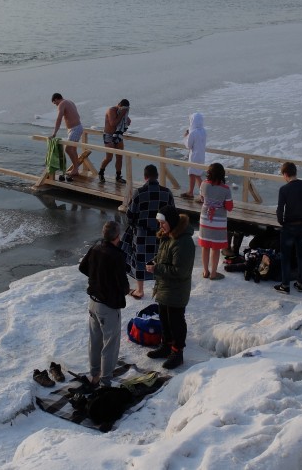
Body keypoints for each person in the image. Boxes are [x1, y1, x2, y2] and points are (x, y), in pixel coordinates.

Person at [78, 221, 131, 387]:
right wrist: (118, 289)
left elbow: (83, 267)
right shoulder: (117, 256)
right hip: (108, 307)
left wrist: (97, 278)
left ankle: (94, 375)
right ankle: (105, 382)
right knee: (110, 345)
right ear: (117, 236)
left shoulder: (95, 248)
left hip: (93, 303)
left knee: (95, 341)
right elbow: (123, 286)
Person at [145, 205, 195, 369]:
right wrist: (155, 261)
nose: (160, 226)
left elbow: (180, 271)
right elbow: (163, 256)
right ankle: (166, 346)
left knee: (176, 322)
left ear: (171, 222)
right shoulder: (168, 236)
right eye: (159, 223)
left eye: (162, 223)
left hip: (176, 290)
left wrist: (157, 268)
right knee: (165, 320)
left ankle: (177, 353)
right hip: (164, 287)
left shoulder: (184, 242)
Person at [122, 164, 175, 299]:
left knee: (140, 260)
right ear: (157, 176)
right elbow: (173, 214)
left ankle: (140, 290)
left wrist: (134, 225)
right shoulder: (167, 192)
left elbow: (130, 215)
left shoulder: (139, 193)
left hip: (142, 234)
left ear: (145, 177)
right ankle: (160, 289)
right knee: (161, 259)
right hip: (161, 232)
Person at [275, 162, 302, 293]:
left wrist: (282, 222)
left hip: (289, 226)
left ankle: (285, 285)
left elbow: (280, 209)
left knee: (286, 256)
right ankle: (300, 283)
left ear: (285, 174)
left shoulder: (284, 189)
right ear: (295, 172)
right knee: (301, 255)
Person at [199, 163, 234, 280]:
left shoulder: (203, 184)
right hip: (218, 221)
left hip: (205, 219)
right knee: (215, 247)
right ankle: (213, 273)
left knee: (205, 246)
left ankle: (205, 272)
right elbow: (229, 207)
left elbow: (202, 199)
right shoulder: (225, 189)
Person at [50, 93, 84, 182]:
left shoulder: (62, 104)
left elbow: (59, 118)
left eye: (55, 103)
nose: (56, 105)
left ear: (57, 99)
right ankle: (75, 169)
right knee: (73, 149)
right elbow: (77, 115)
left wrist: (54, 133)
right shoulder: (70, 101)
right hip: (75, 128)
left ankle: (75, 169)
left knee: (68, 149)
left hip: (75, 128)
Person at [99, 99, 131, 184]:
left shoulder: (123, 112)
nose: (124, 110)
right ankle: (101, 172)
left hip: (118, 135)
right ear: (119, 105)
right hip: (108, 135)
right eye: (123, 108)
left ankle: (118, 176)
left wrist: (126, 119)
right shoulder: (111, 110)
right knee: (109, 158)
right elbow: (113, 123)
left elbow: (127, 122)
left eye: (126, 109)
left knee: (119, 157)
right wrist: (122, 114)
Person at [181, 112, 206, 200]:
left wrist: (185, 136)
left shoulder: (193, 133)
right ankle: (191, 192)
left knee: (196, 175)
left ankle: (202, 196)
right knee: (194, 174)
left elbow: (189, 145)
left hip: (194, 156)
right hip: (201, 156)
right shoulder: (203, 131)